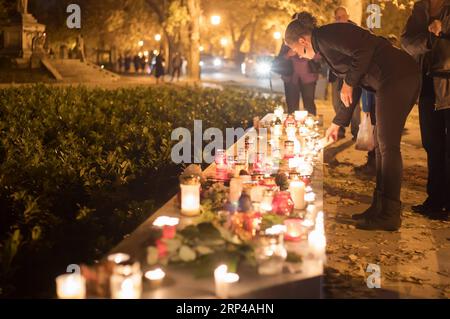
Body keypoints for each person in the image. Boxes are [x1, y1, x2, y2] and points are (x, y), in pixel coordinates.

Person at [284, 12, 421, 231]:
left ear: (303, 41)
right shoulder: (324, 46)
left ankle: (390, 214)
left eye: (299, 51)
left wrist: (348, 81)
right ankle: (379, 207)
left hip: (398, 76)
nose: (300, 56)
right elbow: (352, 85)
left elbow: (365, 49)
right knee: (381, 146)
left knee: (388, 146)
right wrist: (338, 123)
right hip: (388, 80)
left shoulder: (329, 34)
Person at [402, 0, 450, 220]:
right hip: (427, 85)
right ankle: (435, 200)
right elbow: (407, 42)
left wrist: (443, 30)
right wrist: (429, 39)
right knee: (432, 144)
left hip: (448, 84)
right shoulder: (420, 9)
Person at [273, 13, 320, 115]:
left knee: (309, 104)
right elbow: (280, 58)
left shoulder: (310, 38)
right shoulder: (287, 42)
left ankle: (311, 125)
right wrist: (288, 54)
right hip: (291, 78)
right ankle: (292, 125)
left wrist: (307, 54)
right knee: (292, 105)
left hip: (308, 77)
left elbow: (318, 56)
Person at [329, 7, 362, 140]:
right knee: (336, 102)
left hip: (350, 72)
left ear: (347, 16)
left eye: (343, 16)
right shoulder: (331, 31)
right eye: (337, 17)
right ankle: (340, 128)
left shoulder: (355, 30)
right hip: (336, 73)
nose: (340, 19)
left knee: (352, 102)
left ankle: (356, 130)